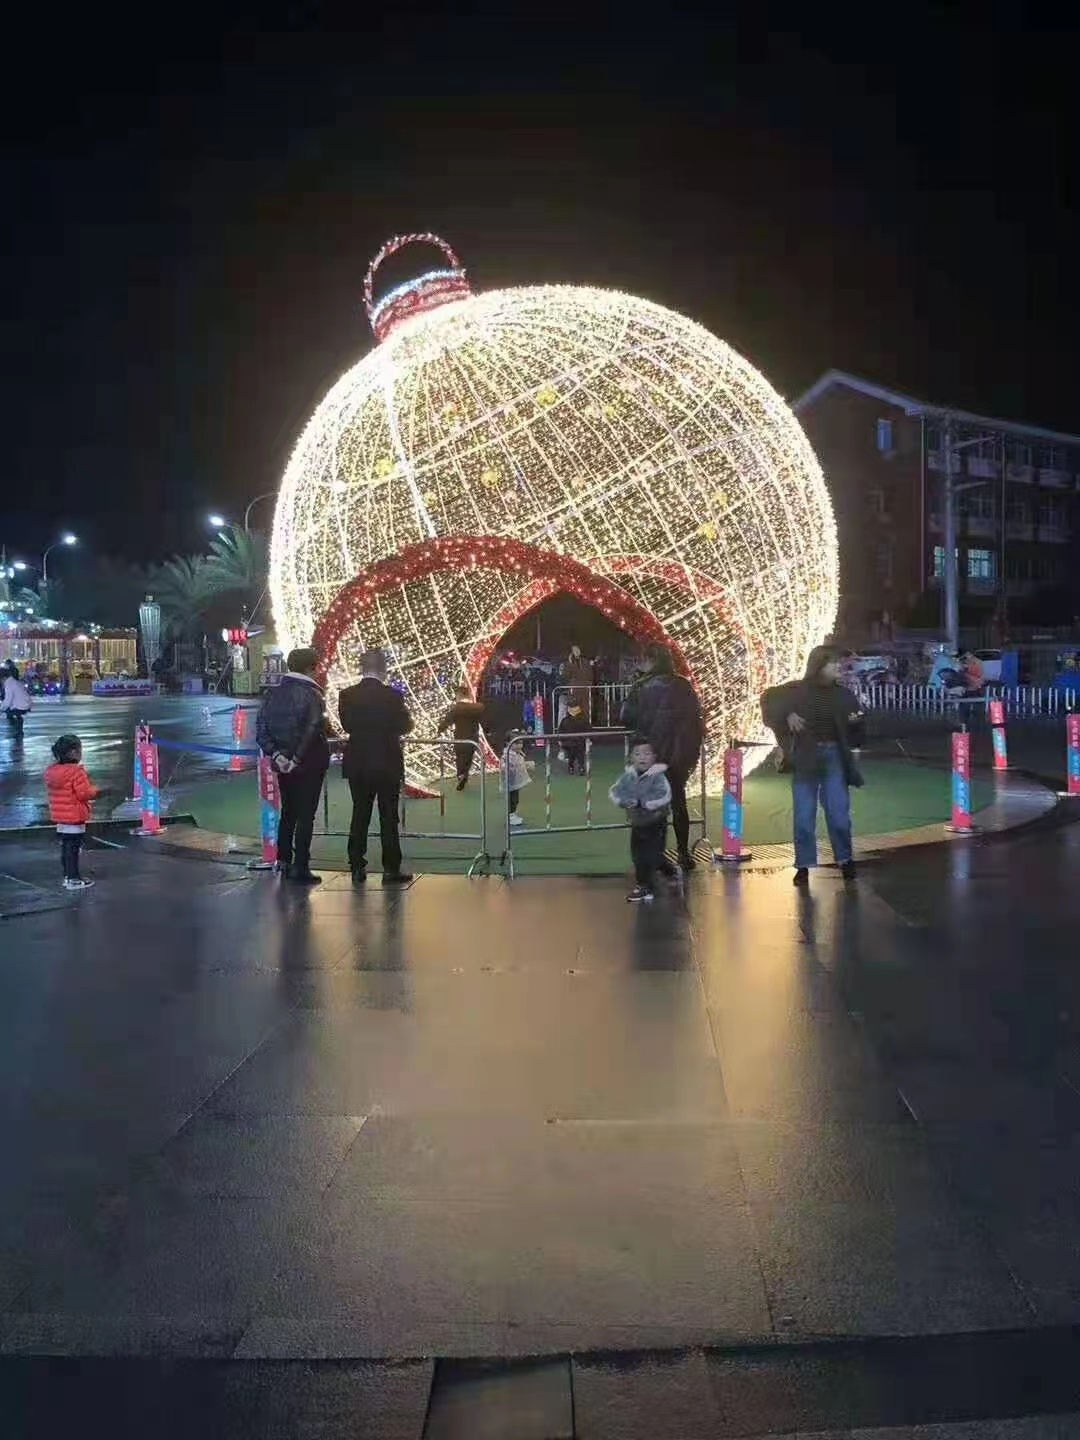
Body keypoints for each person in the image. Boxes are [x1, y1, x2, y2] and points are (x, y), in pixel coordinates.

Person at [761, 644, 865, 887]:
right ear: (819, 666)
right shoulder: (795, 691)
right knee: (804, 816)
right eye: (833, 663)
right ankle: (803, 865)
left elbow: (858, 726)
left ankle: (845, 859)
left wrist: (856, 723)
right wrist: (787, 715)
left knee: (839, 814)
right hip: (806, 757)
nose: (839, 666)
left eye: (838, 662)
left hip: (834, 756)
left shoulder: (844, 695)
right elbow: (768, 700)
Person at [620, 645, 704, 870]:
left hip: (649, 756)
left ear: (650, 661)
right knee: (679, 804)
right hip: (677, 755)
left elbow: (626, 718)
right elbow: (696, 718)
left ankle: (656, 857)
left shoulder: (641, 687)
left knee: (652, 810)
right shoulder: (683, 685)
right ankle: (683, 853)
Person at [255, 646, 330, 885]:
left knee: (288, 812)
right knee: (306, 815)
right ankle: (301, 866)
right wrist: (296, 758)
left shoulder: (272, 694)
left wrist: (277, 755)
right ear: (311, 668)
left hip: (282, 763)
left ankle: (284, 860)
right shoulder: (313, 695)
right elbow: (313, 727)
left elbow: (261, 730)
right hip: (309, 763)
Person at [338, 649, 414, 883]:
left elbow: (347, 725)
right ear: (383, 668)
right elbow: (405, 725)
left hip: (358, 762)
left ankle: (356, 866)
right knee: (389, 816)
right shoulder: (393, 696)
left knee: (360, 814)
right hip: (387, 762)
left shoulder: (347, 695)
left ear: (362, 668)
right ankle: (391, 869)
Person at [609, 739, 673, 903]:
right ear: (631, 758)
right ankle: (667, 870)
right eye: (637, 754)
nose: (642, 757)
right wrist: (624, 801)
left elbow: (664, 795)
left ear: (654, 757)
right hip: (638, 823)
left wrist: (644, 803)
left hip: (656, 822)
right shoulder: (628, 777)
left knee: (649, 855)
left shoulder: (658, 777)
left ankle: (644, 887)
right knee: (638, 855)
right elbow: (615, 791)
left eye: (646, 753)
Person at [45, 734, 104, 891]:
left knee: (66, 847)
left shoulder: (52, 771)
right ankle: (74, 879)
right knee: (73, 849)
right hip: (74, 816)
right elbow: (84, 794)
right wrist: (96, 790)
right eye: (79, 750)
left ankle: (67, 876)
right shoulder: (76, 772)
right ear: (73, 752)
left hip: (61, 817)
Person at [437, 684, 485, 790]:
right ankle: (464, 775)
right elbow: (485, 721)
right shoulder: (478, 708)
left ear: (459, 695)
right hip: (472, 739)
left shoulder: (456, 709)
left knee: (460, 759)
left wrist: (440, 730)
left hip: (460, 739)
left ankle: (461, 776)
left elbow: (446, 722)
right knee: (468, 759)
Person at [501, 735, 533, 827]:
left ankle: (513, 814)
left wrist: (526, 765)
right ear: (508, 743)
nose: (519, 746)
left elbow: (519, 764)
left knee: (515, 799)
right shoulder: (507, 755)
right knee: (512, 799)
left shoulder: (517, 753)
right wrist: (507, 768)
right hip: (510, 781)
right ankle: (511, 816)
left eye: (521, 743)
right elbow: (504, 766)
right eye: (516, 743)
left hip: (515, 781)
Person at [2, 663, 32, 742]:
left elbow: (8, 700)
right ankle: (19, 730)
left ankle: (18, 731)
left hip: (21, 705)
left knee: (9, 712)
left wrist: (2, 708)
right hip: (25, 702)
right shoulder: (13, 681)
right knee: (13, 713)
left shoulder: (9, 684)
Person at [557, 701, 589, 774]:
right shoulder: (565, 720)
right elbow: (561, 731)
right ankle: (574, 767)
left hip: (578, 741)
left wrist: (588, 739)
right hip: (570, 742)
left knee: (578, 754)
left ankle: (579, 767)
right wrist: (561, 740)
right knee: (573, 755)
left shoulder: (583, 719)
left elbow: (588, 729)